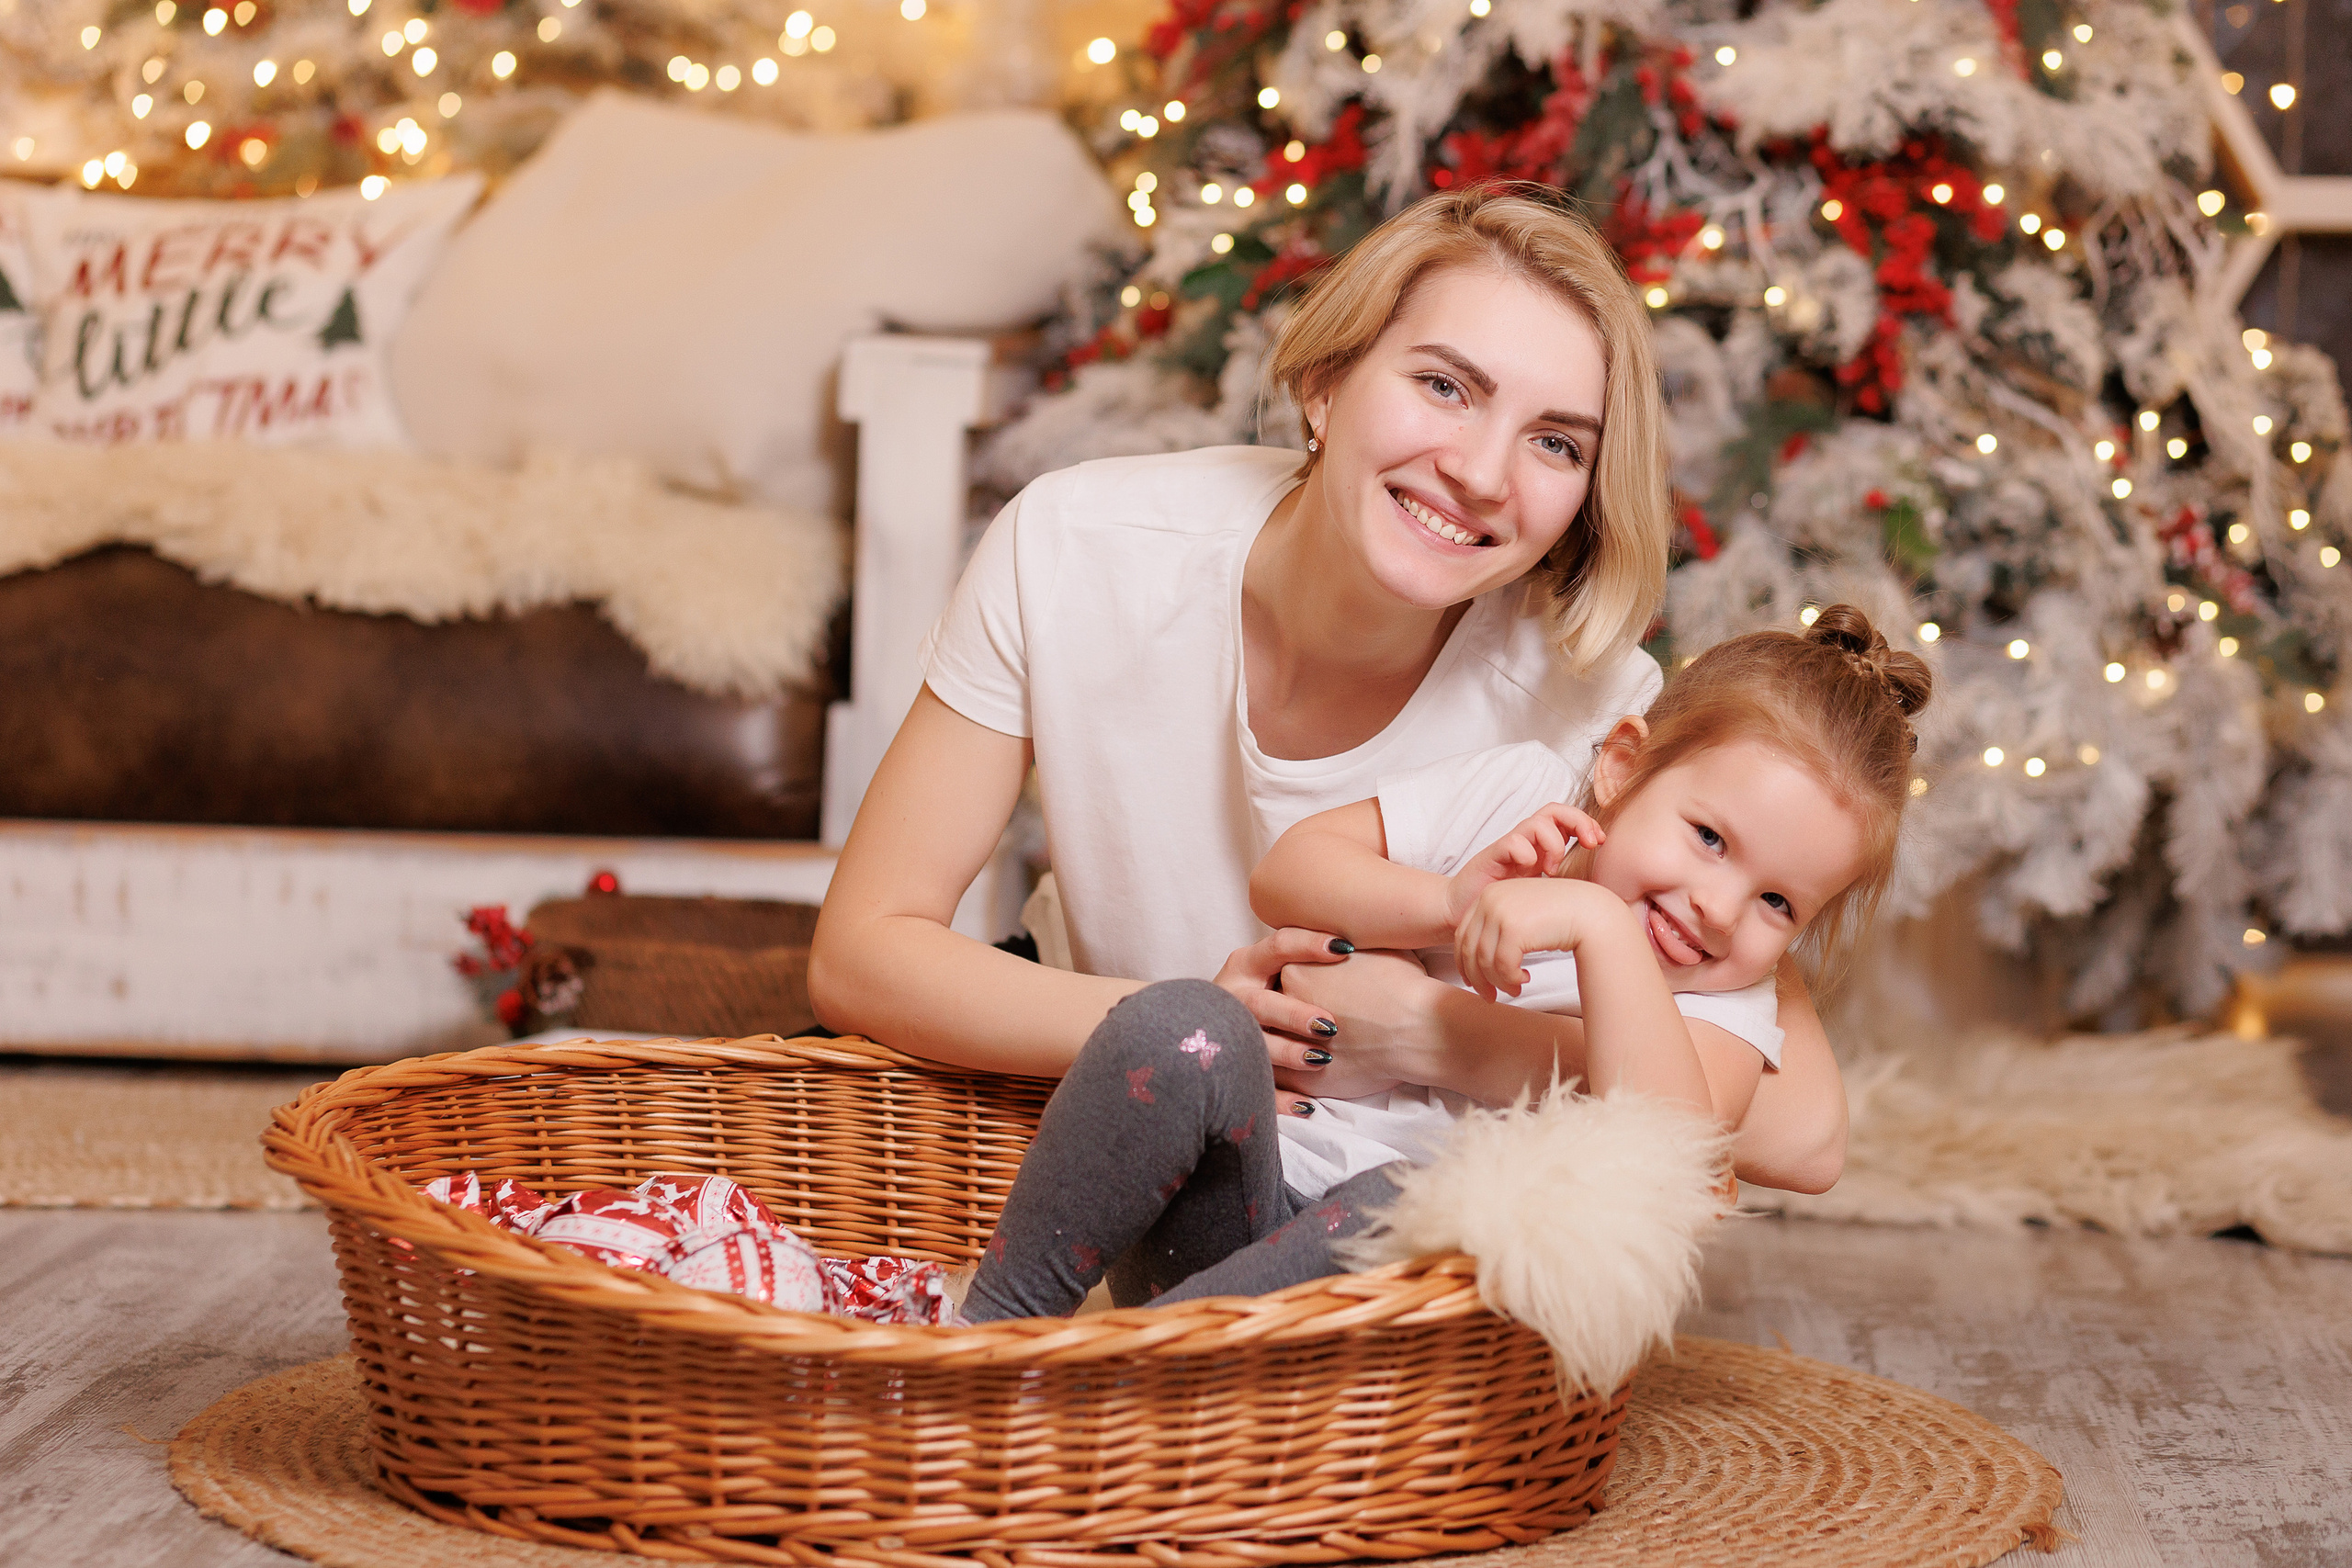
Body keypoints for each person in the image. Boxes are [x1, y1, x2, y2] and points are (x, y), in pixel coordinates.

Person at [808, 181, 1846, 1213]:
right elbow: (864, 952)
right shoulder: (1073, 550)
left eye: (1555, 442)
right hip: (1088, 1052)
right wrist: (1198, 1025)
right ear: (1325, 383)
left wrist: (1431, 1033)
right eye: (1445, 386)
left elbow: (1800, 1133)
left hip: (1342, 1184)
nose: (1482, 473)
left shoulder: (1590, 701)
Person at [959, 608, 1930, 1320]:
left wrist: (1594, 925)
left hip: (1380, 1308)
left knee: (1410, 1207)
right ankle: (992, 1331)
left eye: (1777, 904)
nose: (1719, 910)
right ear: (1624, 767)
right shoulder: (1513, 795)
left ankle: (1115, 1382)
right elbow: (1287, 873)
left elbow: (1669, 1139)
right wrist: (1447, 900)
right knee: (1178, 1023)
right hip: (1234, 1204)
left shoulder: (1730, 1007)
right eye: (1710, 837)